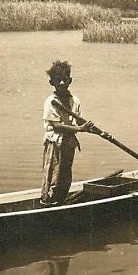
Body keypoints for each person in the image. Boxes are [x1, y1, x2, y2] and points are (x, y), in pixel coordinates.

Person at [40, 60, 93, 206]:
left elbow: (78, 121)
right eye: (58, 80)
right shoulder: (51, 101)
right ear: (52, 82)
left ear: (70, 80)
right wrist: (80, 129)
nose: (62, 83)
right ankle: (47, 202)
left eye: (65, 79)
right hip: (55, 143)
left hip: (69, 144)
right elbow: (56, 126)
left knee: (65, 176)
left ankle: (60, 202)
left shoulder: (74, 100)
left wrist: (87, 126)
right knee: (53, 174)